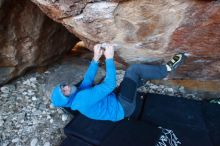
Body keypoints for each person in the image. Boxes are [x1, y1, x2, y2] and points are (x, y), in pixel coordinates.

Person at [51, 43, 186, 122]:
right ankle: (166, 69)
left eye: (63, 86)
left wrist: (96, 58)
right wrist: (109, 58)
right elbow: (109, 85)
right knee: (133, 70)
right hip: (123, 107)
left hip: (115, 100)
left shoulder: (77, 94)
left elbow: (87, 80)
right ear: (67, 100)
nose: (66, 88)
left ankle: (140, 81)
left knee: (127, 83)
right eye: (64, 92)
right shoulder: (81, 99)